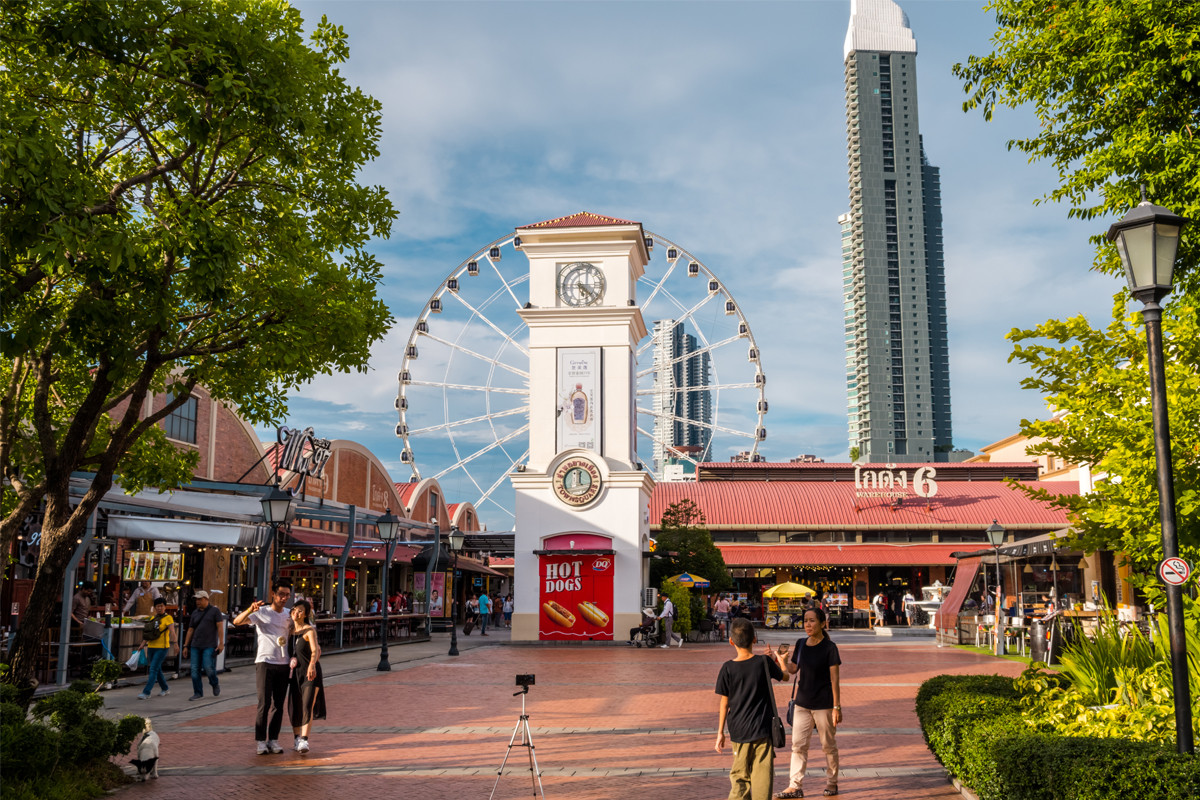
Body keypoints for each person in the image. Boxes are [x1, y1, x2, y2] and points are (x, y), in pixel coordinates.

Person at [773, 607, 842, 798]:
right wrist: (781, 660)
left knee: (828, 745)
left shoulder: (830, 648)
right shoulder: (801, 643)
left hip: (824, 704)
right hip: (802, 703)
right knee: (798, 746)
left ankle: (832, 782)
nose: (808, 625)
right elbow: (793, 669)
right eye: (805, 621)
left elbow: (835, 679)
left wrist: (837, 707)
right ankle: (795, 786)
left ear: (822, 623)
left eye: (812, 621)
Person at [714, 617, 785, 800]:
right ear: (755, 638)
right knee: (763, 776)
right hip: (762, 729)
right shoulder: (764, 663)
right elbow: (785, 677)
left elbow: (724, 703)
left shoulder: (727, 668)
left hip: (739, 731)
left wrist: (720, 732)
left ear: (731, 641)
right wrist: (778, 659)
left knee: (739, 776)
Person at [231, 581, 294, 755]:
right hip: (265, 661)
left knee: (278, 704)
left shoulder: (290, 614)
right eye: (281, 594)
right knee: (264, 703)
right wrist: (250, 609)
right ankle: (260, 741)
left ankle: (273, 739)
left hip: (283, 663)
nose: (284, 598)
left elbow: (304, 628)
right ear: (273, 594)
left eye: (287, 595)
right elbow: (237, 621)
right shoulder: (262, 612)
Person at [287, 599, 325, 753]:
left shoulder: (309, 630)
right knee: (294, 707)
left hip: (310, 673)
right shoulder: (289, 631)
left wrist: (312, 664)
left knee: (306, 705)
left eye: (301, 610)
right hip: (294, 674)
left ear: (305, 614)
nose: (297, 612)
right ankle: (297, 738)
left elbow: (315, 650)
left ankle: (304, 740)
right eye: (295, 609)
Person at [182, 590, 225, 700]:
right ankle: (198, 692)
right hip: (195, 645)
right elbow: (190, 630)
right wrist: (186, 645)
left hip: (209, 645)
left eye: (200, 599)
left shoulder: (215, 611)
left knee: (208, 667)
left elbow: (220, 627)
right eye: (196, 599)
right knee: (194, 670)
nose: (198, 601)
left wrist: (221, 643)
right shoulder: (195, 613)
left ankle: (214, 683)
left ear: (206, 599)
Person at [136, 597, 174, 700]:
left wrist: (176, 645)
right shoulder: (153, 619)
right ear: (154, 607)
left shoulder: (168, 618)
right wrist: (142, 644)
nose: (159, 608)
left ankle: (146, 692)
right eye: (157, 606)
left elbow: (172, 632)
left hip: (162, 648)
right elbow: (148, 635)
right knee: (157, 669)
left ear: (165, 607)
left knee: (153, 669)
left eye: (161, 606)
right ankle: (165, 688)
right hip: (151, 647)